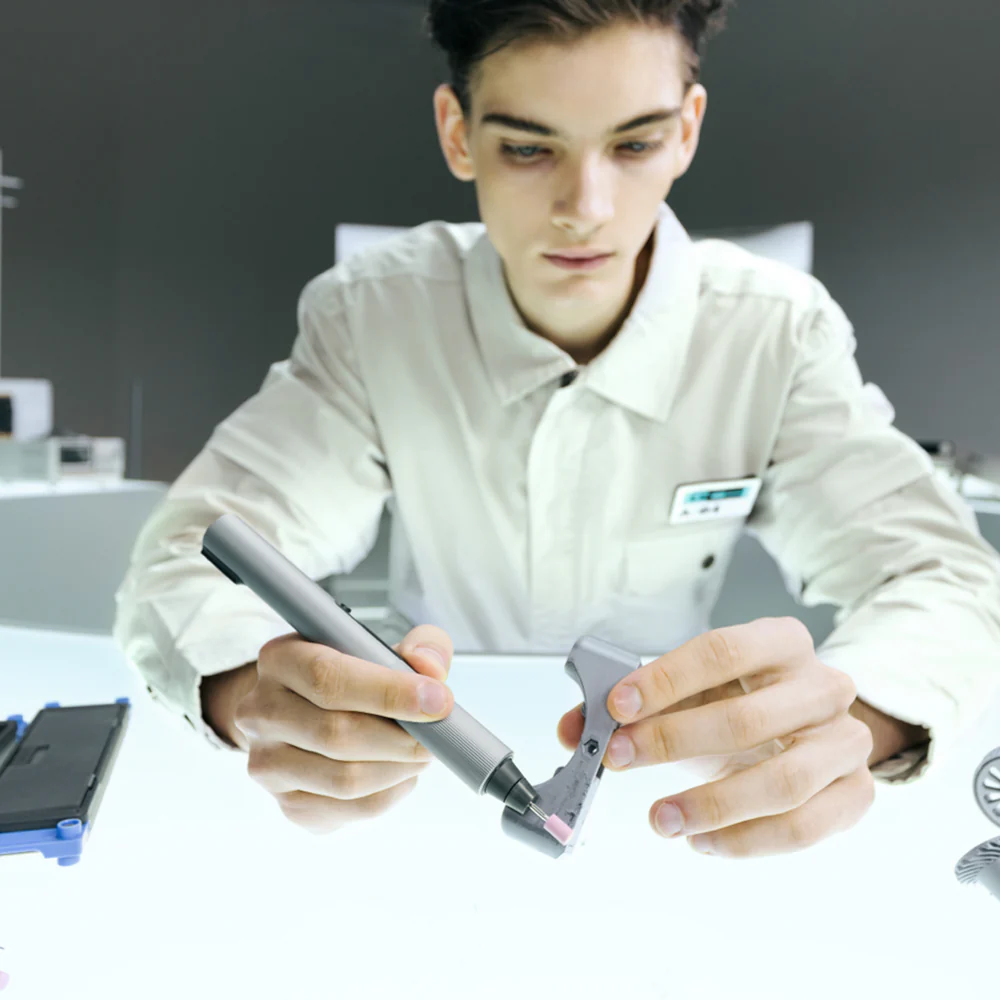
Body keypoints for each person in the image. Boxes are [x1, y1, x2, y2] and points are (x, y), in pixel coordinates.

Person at [113, 0, 1000, 859]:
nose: (586, 206)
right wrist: (247, 692)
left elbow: (945, 576)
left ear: (687, 130)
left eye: (636, 142)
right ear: (458, 133)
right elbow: (184, 559)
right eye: (530, 148)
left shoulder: (774, 332)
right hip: (428, 797)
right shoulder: (373, 316)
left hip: (675, 801)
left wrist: (861, 717)